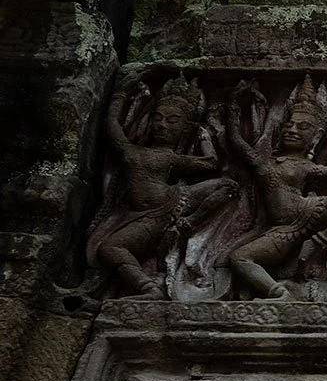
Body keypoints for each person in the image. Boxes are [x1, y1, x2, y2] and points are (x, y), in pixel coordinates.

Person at [222, 76, 327, 299]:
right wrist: (234, 104)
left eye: (303, 127)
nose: (292, 130)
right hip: (284, 231)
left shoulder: (308, 167)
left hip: (313, 210)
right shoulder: (262, 162)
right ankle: (280, 293)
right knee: (239, 258)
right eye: (289, 125)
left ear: (315, 136)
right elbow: (236, 141)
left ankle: (319, 242)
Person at [92, 72, 237, 297]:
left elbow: (211, 163)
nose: (161, 125)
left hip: (170, 204)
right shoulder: (130, 150)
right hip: (141, 215)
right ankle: (149, 287)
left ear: (186, 128)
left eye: (172, 121)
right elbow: (112, 124)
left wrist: (204, 136)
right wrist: (120, 93)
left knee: (228, 186)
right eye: (157, 118)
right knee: (109, 248)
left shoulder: (170, 157)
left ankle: (186, 225)